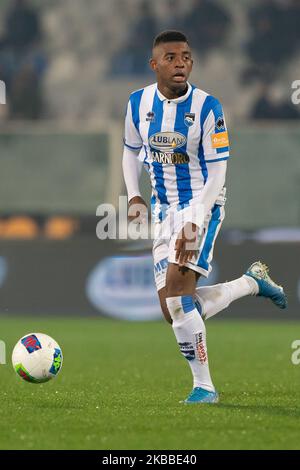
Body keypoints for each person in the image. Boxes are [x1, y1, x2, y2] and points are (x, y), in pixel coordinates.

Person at [122, 31, 287, 404]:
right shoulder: (137, 104)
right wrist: (134, 194)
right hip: (163, 209)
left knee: (180, 299)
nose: (180, 63)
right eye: (171, 57)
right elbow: (130, 152)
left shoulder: (209, 107)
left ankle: (204, 387)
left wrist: (196, 218)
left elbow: (218, 173)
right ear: (155, 64)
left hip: (203, 204)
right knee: (173, 310)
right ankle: (250, 283)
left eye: (186, 57)